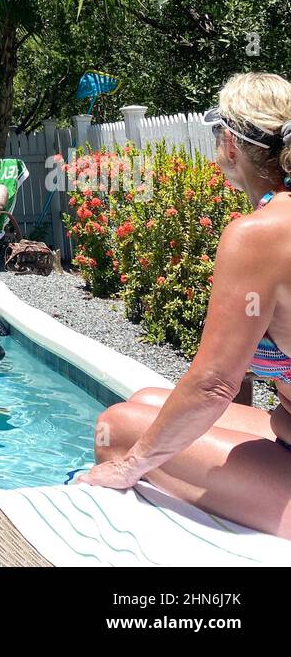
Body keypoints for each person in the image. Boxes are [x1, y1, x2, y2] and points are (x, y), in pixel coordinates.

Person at [78, 72, 291, 539]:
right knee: (145, 402)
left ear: (231, 144)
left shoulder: (260, 233)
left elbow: (214, 386)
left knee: (115, 431)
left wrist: (131, 466)